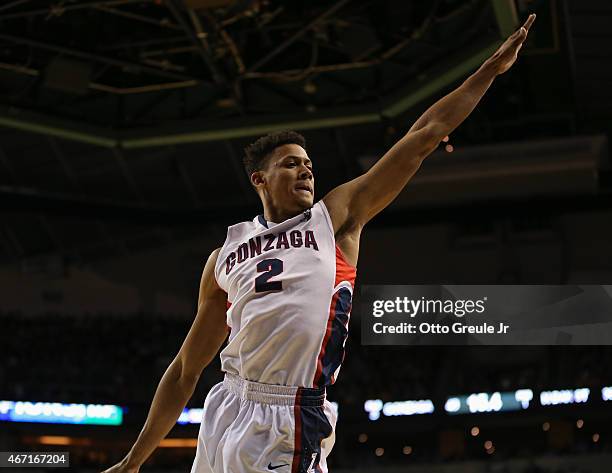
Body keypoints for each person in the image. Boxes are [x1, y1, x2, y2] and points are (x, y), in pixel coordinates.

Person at [102, 14, 535, 473]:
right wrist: (133, 461)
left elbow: (422, 137)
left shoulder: (336, 220)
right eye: (291, 164)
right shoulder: (224, 256)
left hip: (292, 411)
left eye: (308, 163)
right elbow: (187, 370)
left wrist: (487, 72)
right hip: (227, 404)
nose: (306, 169)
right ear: (260, 180)